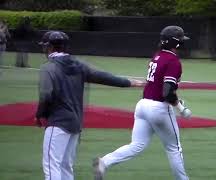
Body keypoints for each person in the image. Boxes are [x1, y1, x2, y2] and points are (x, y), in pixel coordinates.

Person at [35, 30, 143, 180]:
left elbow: (46, 95)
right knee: (66, 166)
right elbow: (103, 77)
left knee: (52, 165)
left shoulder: (48, 68)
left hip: (58, 122)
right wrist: (128, 82)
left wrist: (40, 114)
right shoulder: (78, 65)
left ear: (50, 47)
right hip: (76, 123)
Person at [93, 25, 191, 180]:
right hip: (159, 108)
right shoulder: (173, 61)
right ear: (176, 43)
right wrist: (180, 107)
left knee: (137, 145)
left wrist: (178, 104)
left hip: (143, 105)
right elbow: (166, 92)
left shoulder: (157, 56)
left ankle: (104, 162)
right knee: (174, 148)